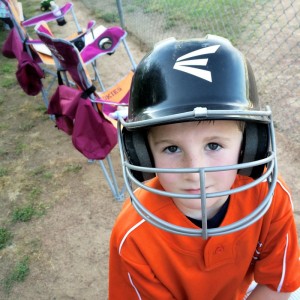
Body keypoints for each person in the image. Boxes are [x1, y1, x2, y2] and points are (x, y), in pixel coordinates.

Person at [109, 35, 300, 299]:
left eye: (213, 145)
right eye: (172, 148)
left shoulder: (270, 199)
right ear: (144, 155)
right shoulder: (134, 235)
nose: (194, 170)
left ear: (250, 146)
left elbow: (277, 284)